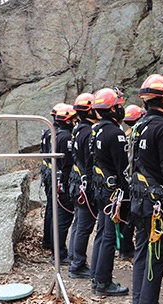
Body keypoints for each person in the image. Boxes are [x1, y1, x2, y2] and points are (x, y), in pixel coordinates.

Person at [130, 74, 163, 304]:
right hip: (156, 203)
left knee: (142, 252)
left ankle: (139, 299)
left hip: (139, 200)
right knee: (156, 258)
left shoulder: (139, 126)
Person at [89, 88, 130, 296]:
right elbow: (123, 168)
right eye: (119, 106)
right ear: (112, 109)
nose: (121, 109)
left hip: (100, 188)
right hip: (111, 192)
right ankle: (104, 282)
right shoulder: (115, 134)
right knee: (108, 237)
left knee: (101, 234)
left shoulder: (96, 130)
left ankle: (97, 278)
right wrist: (128, 192)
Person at [67, 92, 99, 279]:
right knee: (84, 225)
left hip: (76, 181)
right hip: (83, 183)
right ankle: (77, 264)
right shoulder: (88, 132)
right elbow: (89, 161)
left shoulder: (78, 129)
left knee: (79, 223)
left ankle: (74, 258)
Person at [51, 103, 78, 265]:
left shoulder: (56, 134)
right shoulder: (66, 137)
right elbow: (68, 163)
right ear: (67, 121)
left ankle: (58, 251)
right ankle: (59, 253)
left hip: (59, 179)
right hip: (65, 181)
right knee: (63, 219)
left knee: (61, 218)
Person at [116, 104, 144, 260]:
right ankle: (126, 249)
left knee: (125, 218)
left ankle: (122, 247)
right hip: (133, 181)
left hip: (128, 180)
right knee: (130, 219)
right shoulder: (134, 135)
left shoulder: (127, 134)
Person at [40, 103, 67, 251]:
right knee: (54, 209)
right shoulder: (56, 133)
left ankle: (48, 241)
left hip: (48, 172)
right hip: (52, 174)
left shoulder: (48, 131)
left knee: (51, 208)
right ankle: (51, 243)